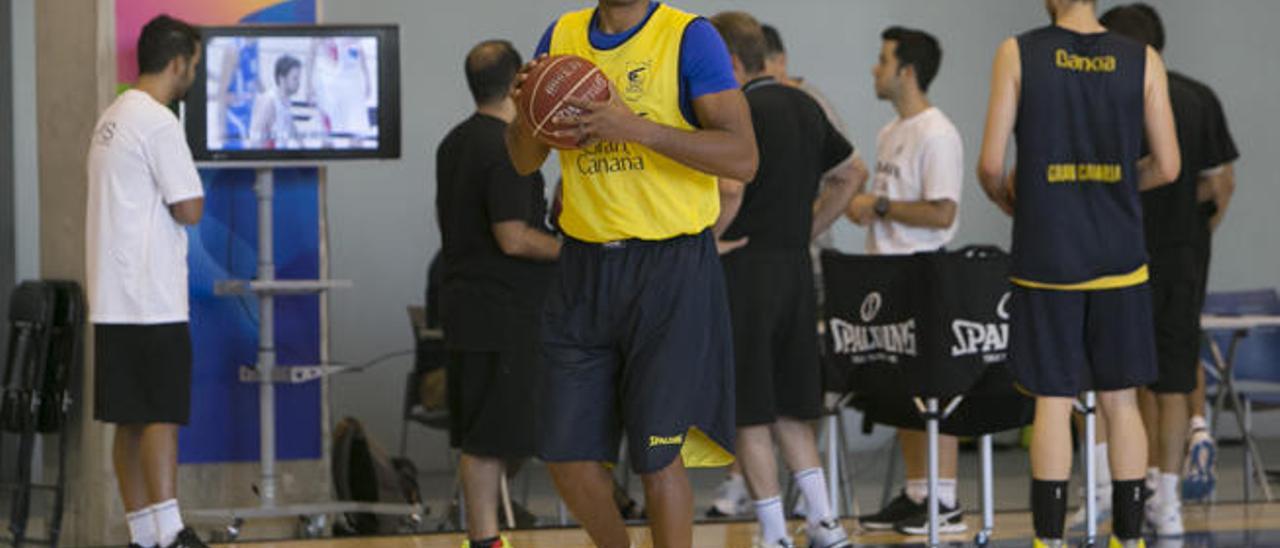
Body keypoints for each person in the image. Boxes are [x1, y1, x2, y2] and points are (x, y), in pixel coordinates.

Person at [507, 0, 758, 546]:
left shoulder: (690, 37)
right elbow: (525, 160)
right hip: (583, 266)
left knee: (658, 456)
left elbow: (742, 157)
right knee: (564, 454)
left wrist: (634, 128)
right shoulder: (561, 33)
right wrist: (526, 109)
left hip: (669, 268)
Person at [977, 0, 1181, 545]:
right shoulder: (1143, 58)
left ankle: (1049, 540)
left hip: (1048, 251)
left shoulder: (1017, 53)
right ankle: (1130, 538)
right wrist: (1112, 188)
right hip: (1119, 253)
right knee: (1121, 398)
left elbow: (993, 164)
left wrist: (1019, 201)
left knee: (1052, 398)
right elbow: (1168, 165)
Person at [708, 21, 871, 524]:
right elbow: (851, 174)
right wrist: (808, 227)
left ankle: (775, 531)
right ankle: (824, 524)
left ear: (731, 64)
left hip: (744, 270)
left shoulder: (736, 111)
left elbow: (731, 191)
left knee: (750, 411)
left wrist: (707, 241)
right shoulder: (803, 103)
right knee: (794, 409)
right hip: (796, 270)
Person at [86, 14, 209, 548]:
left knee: (128, 418)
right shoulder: (159, 121)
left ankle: (143, 536)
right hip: (152, 297)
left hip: (114, 297)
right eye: (195, 66)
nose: (195, 76)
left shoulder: (113, 115)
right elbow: (189, 207)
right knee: (161, 412)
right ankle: (171, 532)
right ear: (179, 62)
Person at [436, 40, 561, 548]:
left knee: (489, 434)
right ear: (517, 85)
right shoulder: (507, 145)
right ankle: (484, 538)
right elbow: (513, 236)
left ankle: (483, 532)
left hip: (467, 306)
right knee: (490, 437)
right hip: (503, 312)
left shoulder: (454, 142)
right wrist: (571, 251)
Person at [847, 26, 967, 537]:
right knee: (901, 391)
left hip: (924, 272)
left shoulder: (936, 132)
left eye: (883, 60)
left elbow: (942, 214)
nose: (875, 69)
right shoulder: (890, 132)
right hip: (886, 270)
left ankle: (945, 500)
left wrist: (877, 205)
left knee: (932, 391)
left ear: (907, 71)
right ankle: (918, 491)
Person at [249, 55, 303, 149]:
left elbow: (290, 124)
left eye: (298, 78)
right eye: (295, 78)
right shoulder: (269, 101)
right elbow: (255, 139)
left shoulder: (285, 100)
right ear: (282, 79)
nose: (298, 83)